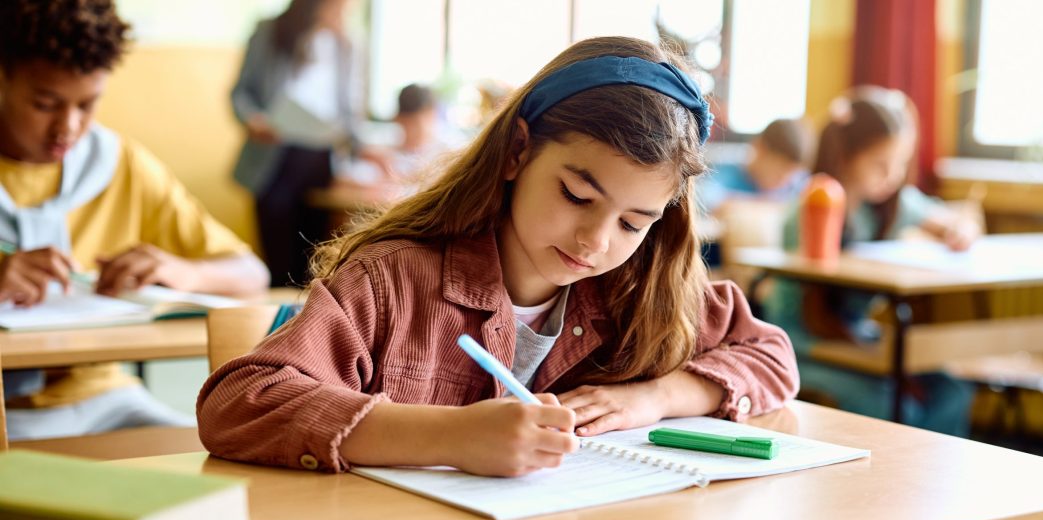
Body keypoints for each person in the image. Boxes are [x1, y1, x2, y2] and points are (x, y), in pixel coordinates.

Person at [198, 36, 799, 477]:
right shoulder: (394, 281)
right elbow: (239, 403)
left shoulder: (641, 287)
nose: (596, 240)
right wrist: (449, 438)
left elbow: (769, 354)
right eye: (577, 195)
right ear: (517, 152)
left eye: (633, 222)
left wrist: (656, 396)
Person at [0, 0, 270, 440]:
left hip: (107, 400)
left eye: (88, 104)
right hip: (7, 414)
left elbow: (250, 273)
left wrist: (178, 270)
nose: (67, 127)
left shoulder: (121, 165)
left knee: (241, 458)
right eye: (45, 103)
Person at [763, 86, 978, 436]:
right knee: (891, 403)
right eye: (881, 164)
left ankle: (927, 481)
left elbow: (952, 221)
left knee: (951, 392)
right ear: (846, 156)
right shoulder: (811, 205)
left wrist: (960, 229)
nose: (892, 176)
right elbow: (801, 313)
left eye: (901, 164)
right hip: (804, 344)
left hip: (858, 337)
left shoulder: (894, 204)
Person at [231, 0, 374, 287]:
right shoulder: (271, 31)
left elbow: (351, 110)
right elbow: (240, 93)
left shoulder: (348, 43)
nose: (344, 11)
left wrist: (364, 150)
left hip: (322, 158)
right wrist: (253, 120)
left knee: (317, 263)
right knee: (280, 262)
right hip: (276, 158)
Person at [699, 117, 814, 213]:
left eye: (790, 176)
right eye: (778, 173)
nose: (784, 181)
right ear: (760, 149)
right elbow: (704, 199)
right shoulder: (726, 173)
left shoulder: (795, 184)